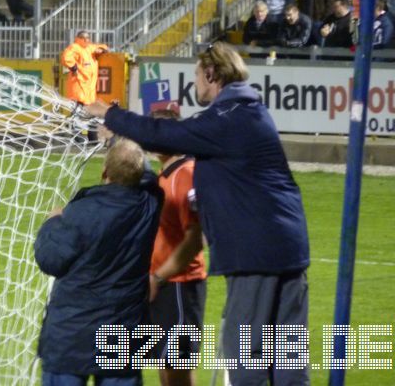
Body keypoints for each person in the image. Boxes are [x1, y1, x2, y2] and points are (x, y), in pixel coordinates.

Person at [85, 42, 310, 386]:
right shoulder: (251, 112)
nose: (196, 85)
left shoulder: (228, 116)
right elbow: (168, 140)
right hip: (288, 249)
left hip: (255, 257)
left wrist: (111, 115)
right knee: (288, 364)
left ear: (211, 73)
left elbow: (167, 134)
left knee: (245, 361)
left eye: (197, 76)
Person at [34, 137, 162, 386]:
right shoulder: (150, 204)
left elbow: (50, 261)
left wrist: (52, 222)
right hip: (123, 335)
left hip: (71, 335)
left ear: (104, 172)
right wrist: (123, 140)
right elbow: (146, 175)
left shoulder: (78, 212)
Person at [146, 108, 206, 386]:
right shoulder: (166, 173)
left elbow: (195, 238)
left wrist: (159, 277)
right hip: (163, 284)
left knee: (178, 368)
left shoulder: (185, 175)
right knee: (165, 362)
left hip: (180, 285)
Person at [61, 30, 108, 106]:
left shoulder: (89, 48)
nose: (86, 39)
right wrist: (73, 67)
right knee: (78, 111)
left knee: (86, 113)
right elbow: (66, 57)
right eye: (83, 37)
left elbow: (103, 46)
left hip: (88, 88)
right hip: (79, 85)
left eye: (87, 37)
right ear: (78, 38)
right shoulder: (75, 47)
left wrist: (101, 50)